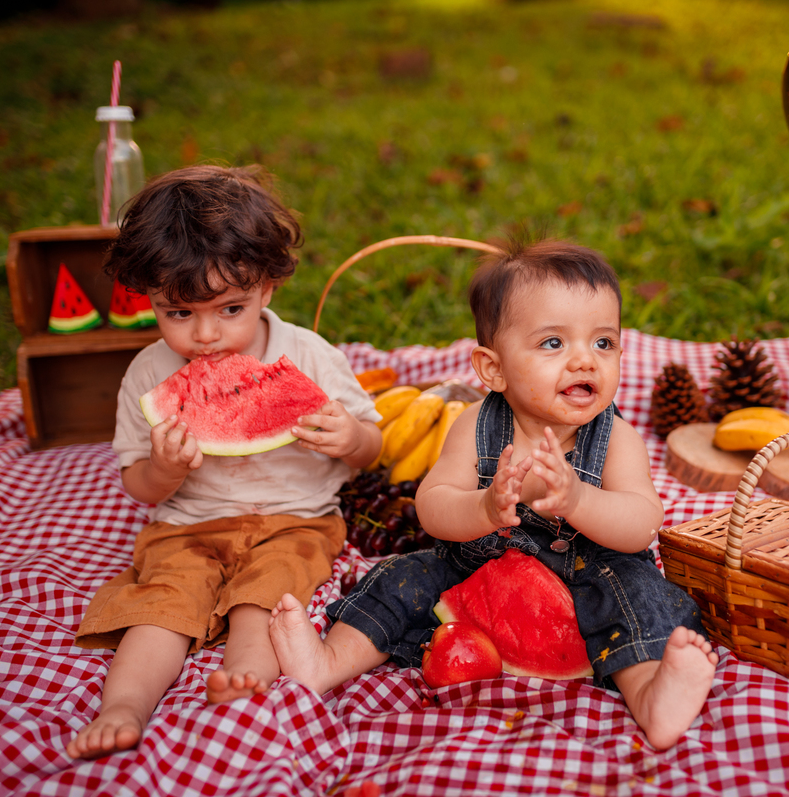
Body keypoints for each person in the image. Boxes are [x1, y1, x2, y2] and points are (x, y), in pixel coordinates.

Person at [269, 238, 718, 751]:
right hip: (480, 569)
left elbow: (642, 521)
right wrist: (482, 507)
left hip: (591, 572)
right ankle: (328, 662)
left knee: (641, 597)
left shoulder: (615, 438)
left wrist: (578, 501)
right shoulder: (475, 427)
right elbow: (433, 506)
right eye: (554, 344)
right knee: (403, 576)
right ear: (493, 369)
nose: (584, 362)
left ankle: (654, 698)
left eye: (603, 343)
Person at [66, 165, 382, 759]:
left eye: (229, 310)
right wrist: (165, 468)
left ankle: (246, 683)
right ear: (150, 300)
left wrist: (348, 438)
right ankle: (122, 707)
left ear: (267, 288)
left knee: (264, 599)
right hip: (186, 525)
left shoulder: (310, 358)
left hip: (298, 519)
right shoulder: (148, 374)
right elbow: (139, 484)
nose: (206, 336)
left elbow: (371, 448)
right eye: (178, 313)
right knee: (160, 603)